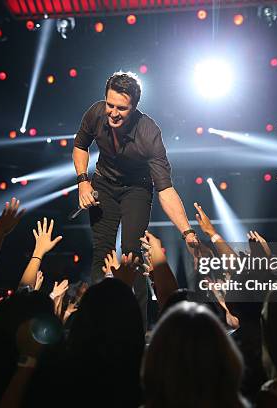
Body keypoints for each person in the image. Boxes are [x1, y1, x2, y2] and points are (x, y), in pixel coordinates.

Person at [73, 71, 198, 321]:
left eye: (122, 108)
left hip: (137, 188)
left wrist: (188, 232)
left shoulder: (149, 132)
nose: (113, 113)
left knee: (132, 253)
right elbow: (80, 146)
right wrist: (83, 182)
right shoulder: (95, 113)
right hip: (104, 185)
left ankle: (136, 328)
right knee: (102, 254)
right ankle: (99, 323)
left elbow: (165, 188)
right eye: (110, 105)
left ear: (135, 107)